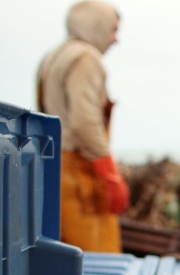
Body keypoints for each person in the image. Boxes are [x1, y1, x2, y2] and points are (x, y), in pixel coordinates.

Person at [37, 1, 130, 253]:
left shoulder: (54, 56)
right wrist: (110, 174)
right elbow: (84, 121)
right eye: (113, 30)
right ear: (96, 26)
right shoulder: (86, 58)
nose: (115, 39)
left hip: (56, 167)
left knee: (65, 254)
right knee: (99, 259)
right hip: (81, 176)